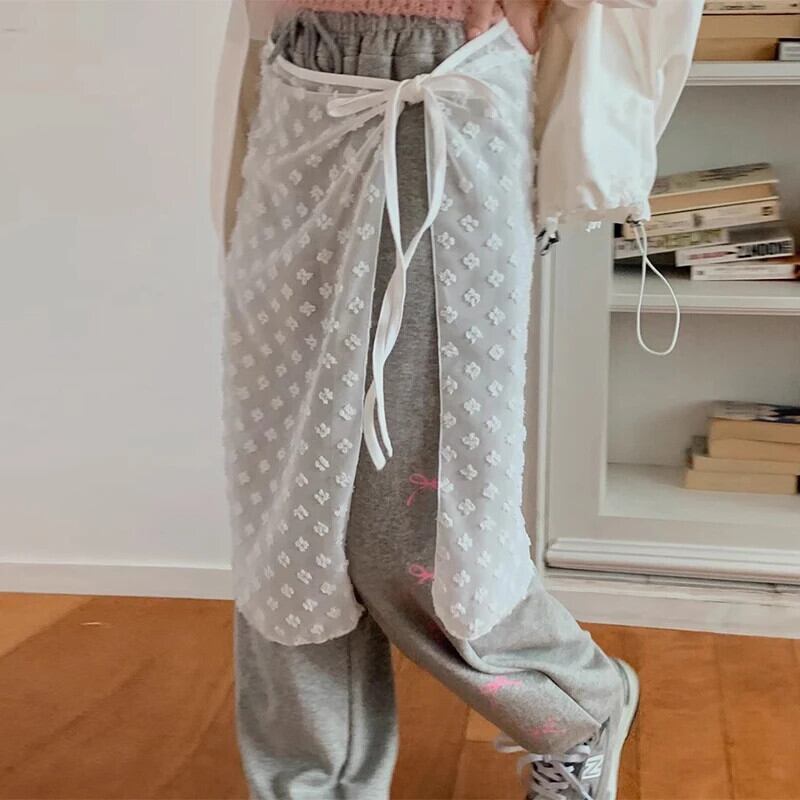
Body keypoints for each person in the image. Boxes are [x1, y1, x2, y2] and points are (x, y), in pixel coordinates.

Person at [220, 2, 648, 798]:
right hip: (297, 73)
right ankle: (312, 781)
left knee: (427, 528)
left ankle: (575, 706)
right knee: (287, 523)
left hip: (444, 69)